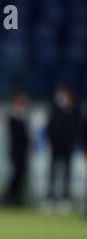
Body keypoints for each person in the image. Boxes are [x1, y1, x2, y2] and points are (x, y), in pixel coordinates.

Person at [45, 85, 81, 213]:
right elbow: (49, 128)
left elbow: (79, 129)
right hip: (55, 146)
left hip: (68, 147)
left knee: (67, 173)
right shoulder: (55, 110)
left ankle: (65, 199)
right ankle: (50, 197)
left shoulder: (75, 110)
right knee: (52, 172)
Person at [4, 93, 30, 206]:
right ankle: (10, 196)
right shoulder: (13, 118)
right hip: (15, 151)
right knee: (16, 174)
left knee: (21, 174)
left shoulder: (24, 118)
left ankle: (17, 197)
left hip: (23, 151)